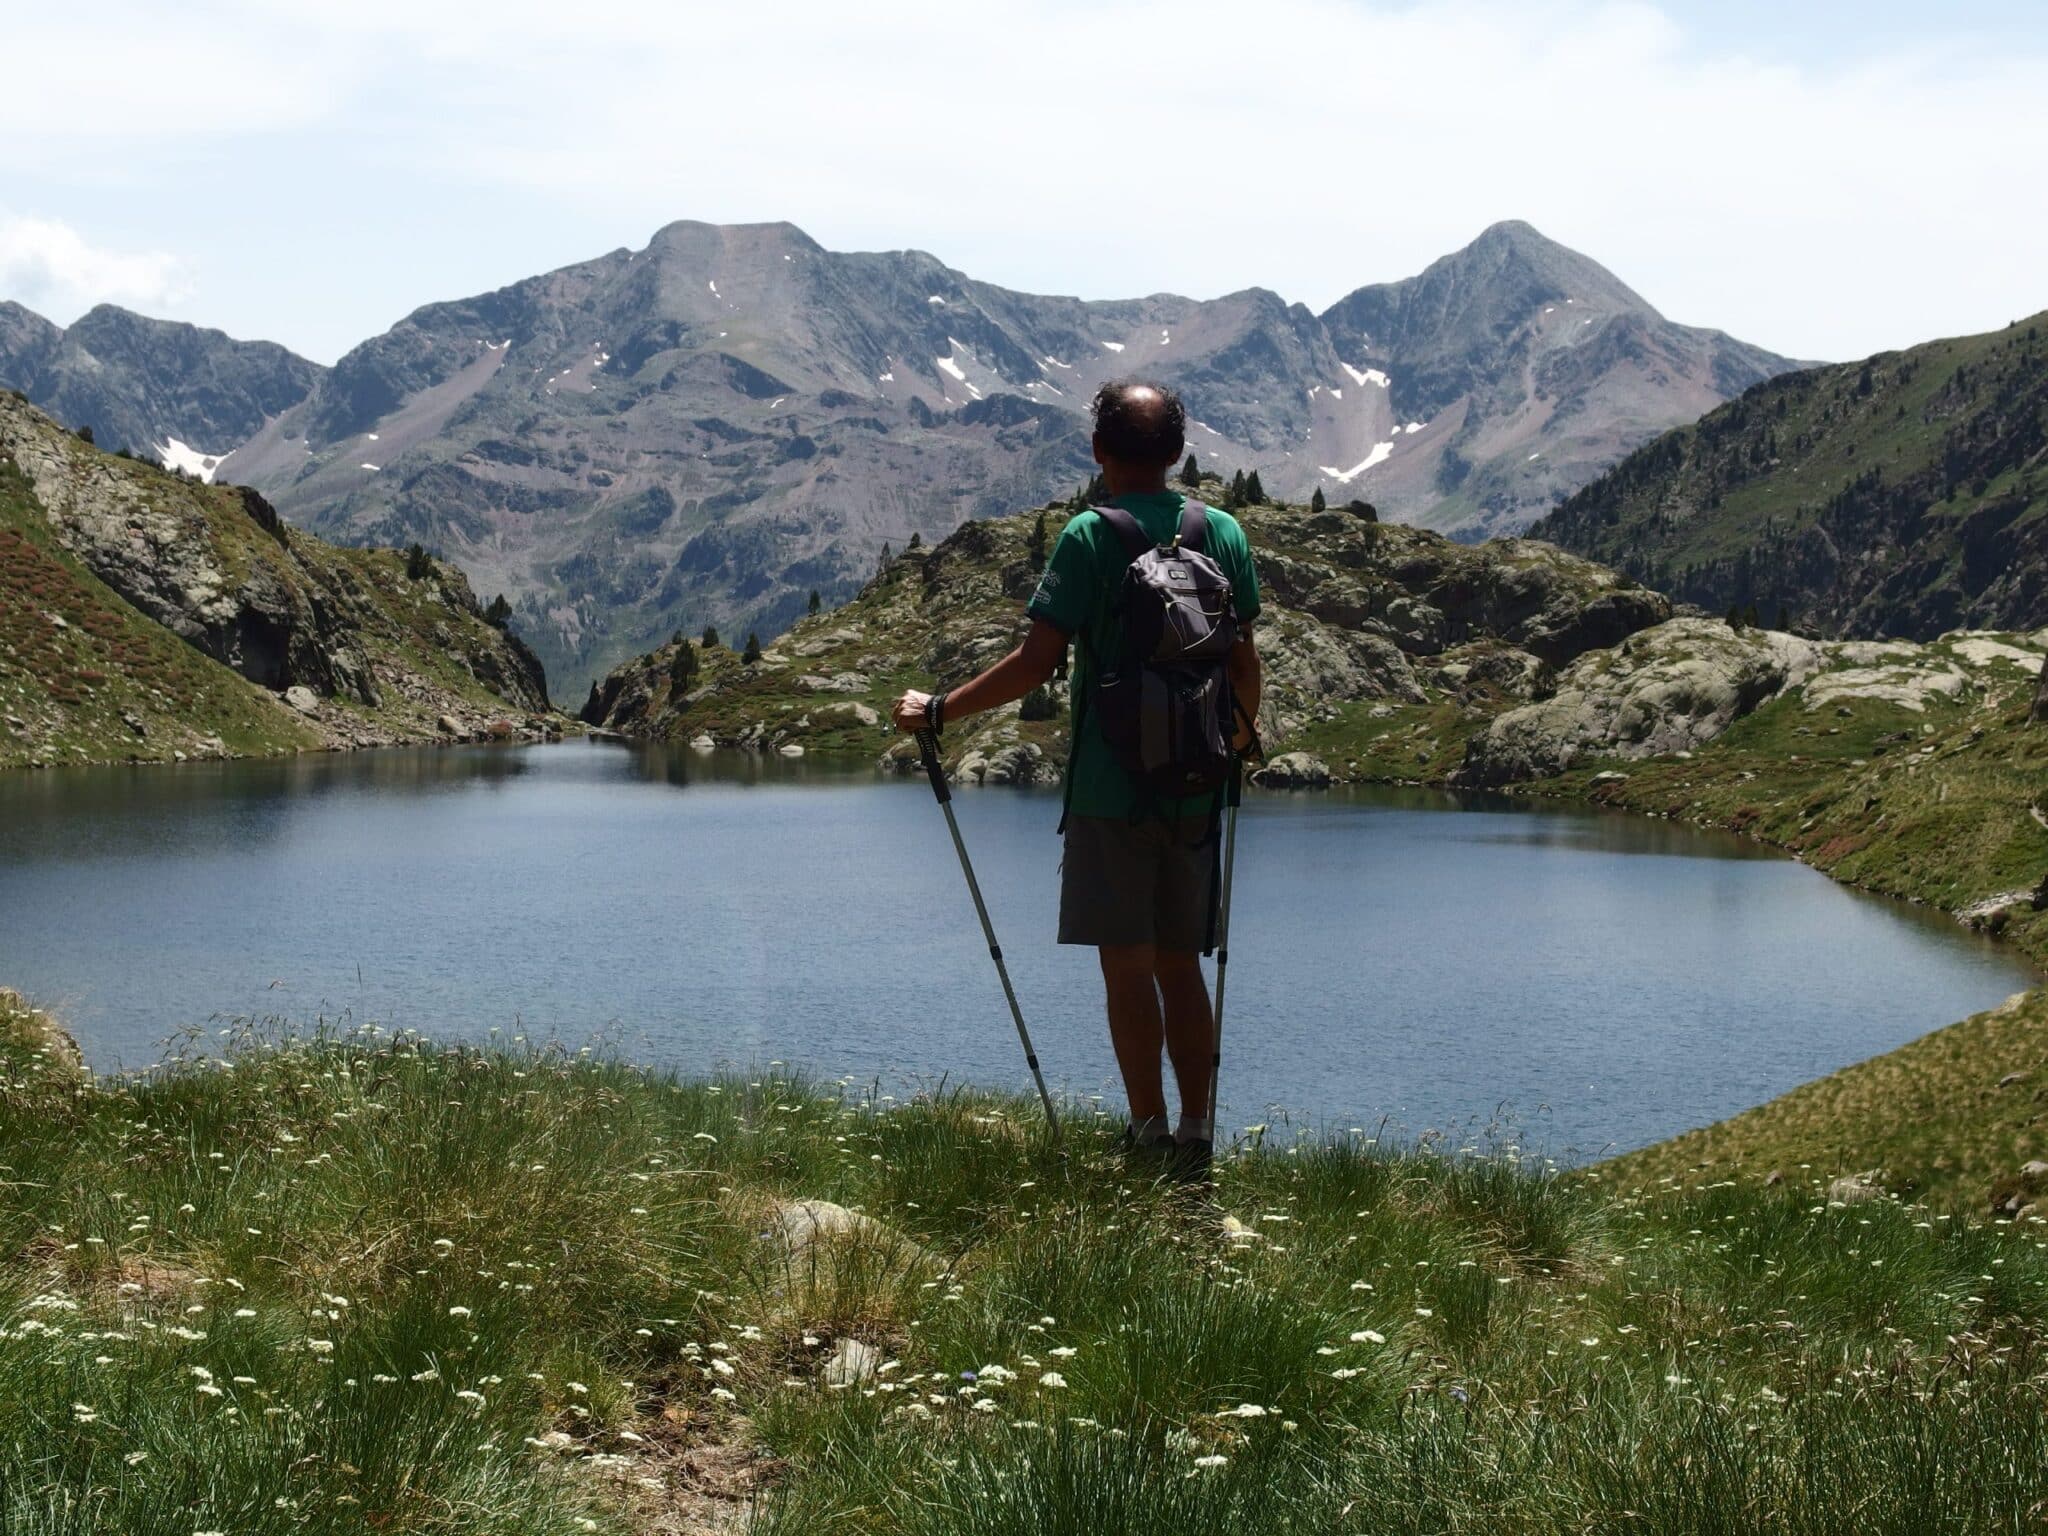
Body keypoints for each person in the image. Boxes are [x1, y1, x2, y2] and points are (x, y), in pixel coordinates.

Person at [892, 380, 1262, 1178]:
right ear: (1178, 453)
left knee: (1126, 964)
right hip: (1197, 785)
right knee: (1181, 965)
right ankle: (1198, 1135)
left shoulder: (1091, 536)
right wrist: (1230, 744)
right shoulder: (1222, 531)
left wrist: (940, 710)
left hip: (1111, 787)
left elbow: (1035, 665)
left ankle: (1147, 1134)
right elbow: (1243, 660)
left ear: (1099, 452)